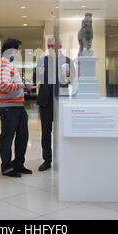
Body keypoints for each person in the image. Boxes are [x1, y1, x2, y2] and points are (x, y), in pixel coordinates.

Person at [0, 38, 37, 177]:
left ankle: (18, 164)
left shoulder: (9, 65)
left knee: (23, 136)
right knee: (7, 138)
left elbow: (9, 86)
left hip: (17, 106)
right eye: (19, 49)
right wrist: (24, 85)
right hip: (9, 108)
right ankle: (6, 167)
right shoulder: (3, 65)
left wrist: (21, 91)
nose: (20, 52)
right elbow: (4, 86)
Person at [33, 36, 75, 171]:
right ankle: (47, 159)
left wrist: (67, 76)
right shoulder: (41, 61)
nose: (50, 48)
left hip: (61, 101)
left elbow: (72, 80)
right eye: (49, 46)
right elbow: (34, 80)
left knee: (62, 131)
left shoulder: (67, 61)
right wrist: (38, 74)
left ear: (60, 47)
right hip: (45, 101)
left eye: (53, 46)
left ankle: (63, 157)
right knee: (46, 132)